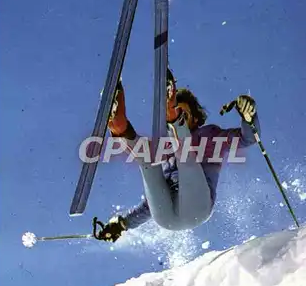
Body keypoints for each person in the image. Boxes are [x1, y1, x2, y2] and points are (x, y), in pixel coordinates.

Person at [95, 69, 260, 242]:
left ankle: (170, 108)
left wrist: (249, 118)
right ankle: (118, 124)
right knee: (147, 160)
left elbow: (247, 139)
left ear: (195, 119)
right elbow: (151, 204)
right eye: (175, 114)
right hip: (167, 219)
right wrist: (122, 224)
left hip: (197, 207)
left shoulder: (210, 135)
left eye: (185, 114)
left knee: (184, 153)